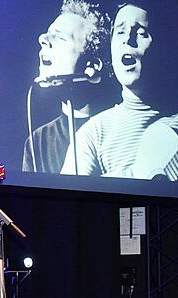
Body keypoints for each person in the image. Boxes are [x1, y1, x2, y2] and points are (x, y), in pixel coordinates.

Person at [60, 1, 178, 179]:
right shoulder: (93, 134)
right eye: (120, 32)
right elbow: (73, 204)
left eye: (141, 32)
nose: (128, 39)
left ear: (162, 49)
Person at [22, 0, 108, 174]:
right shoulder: (38, 142)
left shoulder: (120, 127)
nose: (43, 39)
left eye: (60, 38)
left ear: (91, 66)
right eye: (47, 34)